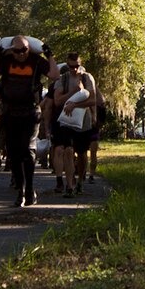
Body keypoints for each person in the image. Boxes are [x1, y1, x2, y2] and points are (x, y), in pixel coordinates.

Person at [0, 36, 50, 207]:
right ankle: (20, 191)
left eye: (24, 50)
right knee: (14, 153)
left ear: (29, 49)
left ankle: (29, 190)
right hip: (10, 113)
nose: (21, 54)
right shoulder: (6, 61)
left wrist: (50, 56)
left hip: (30, 113)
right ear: (11, 50)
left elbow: (55, 75)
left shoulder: (36, 61)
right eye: (17, 51)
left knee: (27, 151)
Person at [54, 66, 101, 197]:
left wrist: (91, 114)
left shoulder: (87, 78)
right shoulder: (62, 80)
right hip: (66, 121)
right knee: (68, 150)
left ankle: (80, 181)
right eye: (71, 66)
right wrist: (72, 92)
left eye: (76, 66)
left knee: (81, 154)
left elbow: (93, 100)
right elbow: (57, 101)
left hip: (84, 123)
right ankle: (69, 186)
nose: (74, 69)